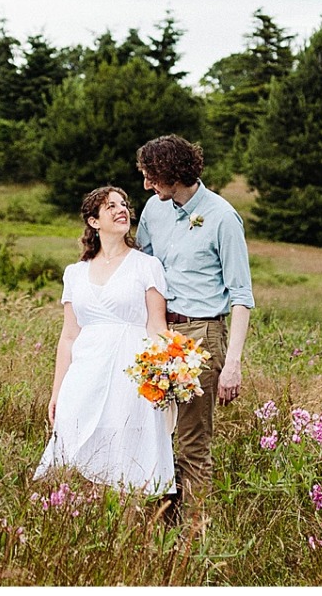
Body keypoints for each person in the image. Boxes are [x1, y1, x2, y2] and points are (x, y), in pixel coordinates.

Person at [133, 134, 253, 521]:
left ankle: (193, 539)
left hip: (204, 334)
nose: (147, 185)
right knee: (155, 438)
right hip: (160, 337)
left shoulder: (222, 217)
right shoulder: (154, 209)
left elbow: (241, 295)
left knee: (192, 442)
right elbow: (143, 271)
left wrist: (232, 363)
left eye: (153, 177)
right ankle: (162, 524)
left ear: (174, 173)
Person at [34, 185, 177, 494]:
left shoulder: (146, 265)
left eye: (123, 204)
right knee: (76, 443)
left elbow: (157, 325)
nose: (121, 209)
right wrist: (57, 390)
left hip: (131, 370)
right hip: (85, 373)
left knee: (124, 445)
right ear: (94, 221)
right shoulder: (75, 273)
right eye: (110, 206)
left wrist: (162, 377)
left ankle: (128, 519)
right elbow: (69, 336)